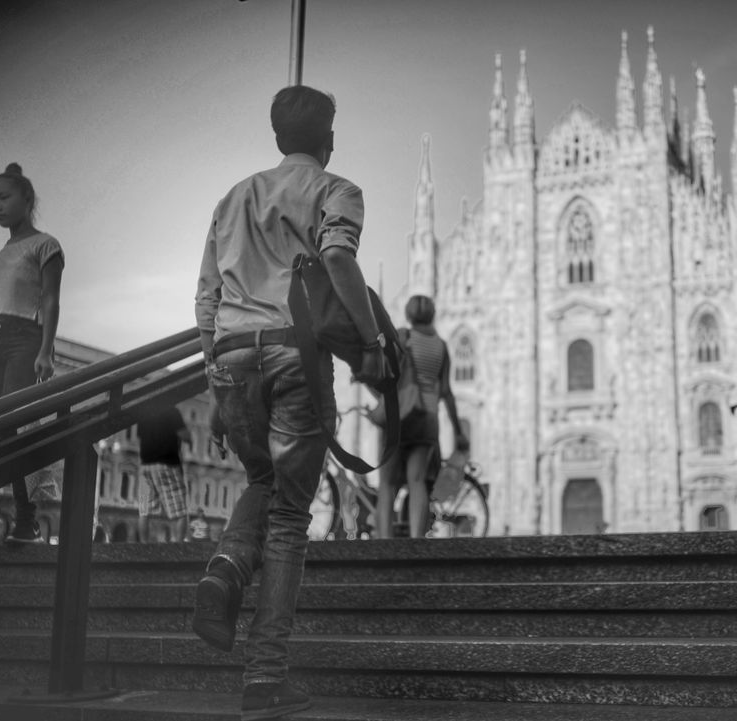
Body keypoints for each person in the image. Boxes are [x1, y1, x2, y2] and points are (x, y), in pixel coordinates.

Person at [192, 85, 387, 721]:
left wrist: (216, 372)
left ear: (277, 138)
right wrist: (371, 340)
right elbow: (336, 257)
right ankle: (267, 675)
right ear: (328, 138)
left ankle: (224, 570)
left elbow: (206, 297)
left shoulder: (232, 196)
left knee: (260, 479)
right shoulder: (337, 190)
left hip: (232, 356)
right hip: (293, 357)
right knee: (287, 519)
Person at [0, 163, 64, 544]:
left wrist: (46, 350)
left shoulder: (46, 244)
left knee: (11, 429)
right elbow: (7, 292)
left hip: (25, 339)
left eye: (3, 197)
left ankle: (26, 518)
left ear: (27, 199)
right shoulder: (5, 249)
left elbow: (49, 299)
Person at [375, 295, 469, 539]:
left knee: (387, 484)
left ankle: (384, 544)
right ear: (432, 315)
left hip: (399, 415)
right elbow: (446, 392)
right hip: (427, 418)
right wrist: (458, 430)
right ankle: (416, 544)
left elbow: (384, 375)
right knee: (417, 481)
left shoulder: (402, 337)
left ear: (408, 315)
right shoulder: (441, 346)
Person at [135, 403, 192, 543]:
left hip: (146, 465)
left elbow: (140, 437)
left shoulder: (144, 413)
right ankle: (178, 546)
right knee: (180, 511)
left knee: (144, 511)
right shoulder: (171, 411)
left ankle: (143, 546)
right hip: (167, 463)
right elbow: (185, 436)